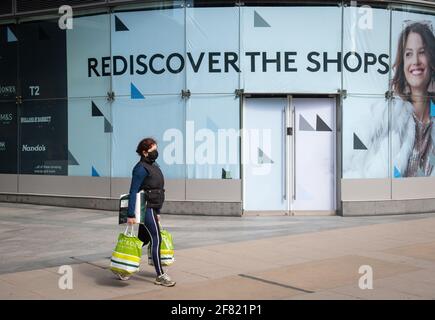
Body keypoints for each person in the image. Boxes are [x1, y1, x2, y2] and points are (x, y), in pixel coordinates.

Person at [343, 21, 435, 178]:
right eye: (408, 54)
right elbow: (350, 161)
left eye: (422, 52)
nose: (415, 61)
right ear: (402, 63)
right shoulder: (387, 115)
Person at [120, 137, 176, 287]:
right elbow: (133, 191)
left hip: (153, 208)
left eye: (156, 149)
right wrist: (130, 214)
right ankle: (160, 275)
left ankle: (124, 267)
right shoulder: (140, 168)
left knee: (142, 240)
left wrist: (158, 212)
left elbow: (158, 189)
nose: (156, 152)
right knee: (156, 238)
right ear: (144, 152)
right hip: (146, 208)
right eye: (153, 150)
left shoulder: (154, 165)